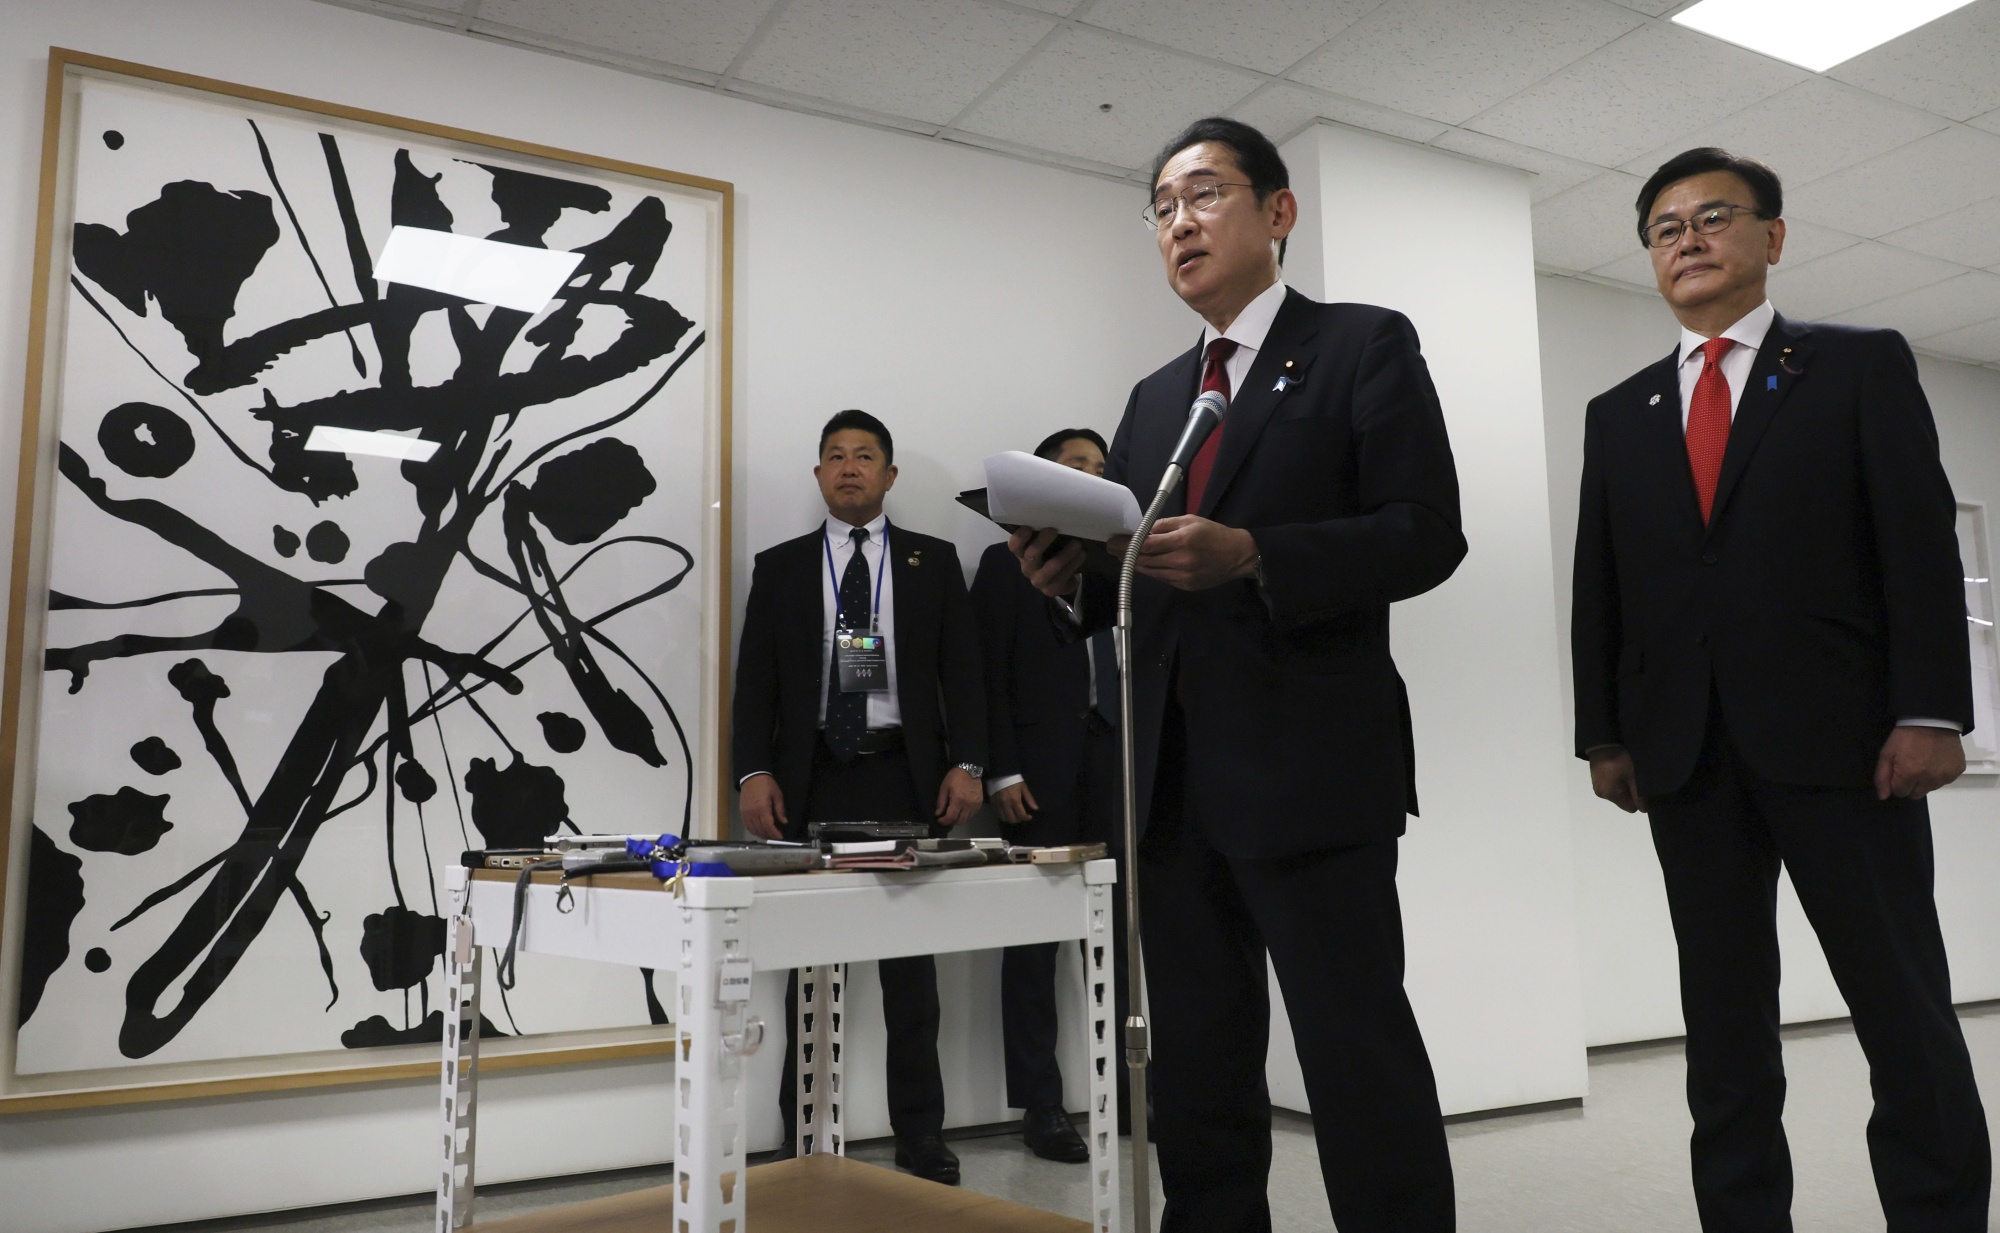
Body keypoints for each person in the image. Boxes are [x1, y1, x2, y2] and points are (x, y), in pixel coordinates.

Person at [1011, 117, 1464, 1232]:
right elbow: (1142, 572)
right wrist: (1071, 580)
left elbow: (1423, 532)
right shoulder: (1155, 395)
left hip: (1311, 771)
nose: (1179, 223)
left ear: (1277, 211)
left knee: (1355, 1056)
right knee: (1200, 1072)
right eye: (1162, 207)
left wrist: (1257, 552)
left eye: (1204, 194)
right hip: (1169, 786)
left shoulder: (1361, 344)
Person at [1571, 147, 1989, 1232]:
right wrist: (1603, 732)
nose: (1689, 240)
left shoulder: (1854, 366)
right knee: (1722, 1031)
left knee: (1900, 1011)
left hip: (1849, 747)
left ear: (1773, 236)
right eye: (1666, 228)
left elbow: (1916, 544)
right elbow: (1601, 582)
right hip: (1686, 755)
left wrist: (1930, 710)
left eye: (1713, 216)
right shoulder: (1618, 412)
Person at [731, 409, 987, 1185]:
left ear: (889, 474)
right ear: (819, 474)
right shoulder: (780, 566)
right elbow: (755, 684)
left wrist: (969, 762)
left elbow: (964, 673)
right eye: (836, 456)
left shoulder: (931, 561)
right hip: (808, 779)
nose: (849, 467)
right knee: (807, 966)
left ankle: (921, 1133)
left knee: (911, 972)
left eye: (865, 455)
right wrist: (752, 772)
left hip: (902, 773)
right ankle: (802, 1134)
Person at [971, 427, 1126, 1164]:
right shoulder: (1004, 565)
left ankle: (1129, 1090)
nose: (1089, 476)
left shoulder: (1131, 562)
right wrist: (1000, 772)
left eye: (1099, 468)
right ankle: (1041, 1103)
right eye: (1073, 468)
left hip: (1121, 765)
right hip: (1038, 775)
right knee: (1033, 945)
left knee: (1125, 935)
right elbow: (983, 675)